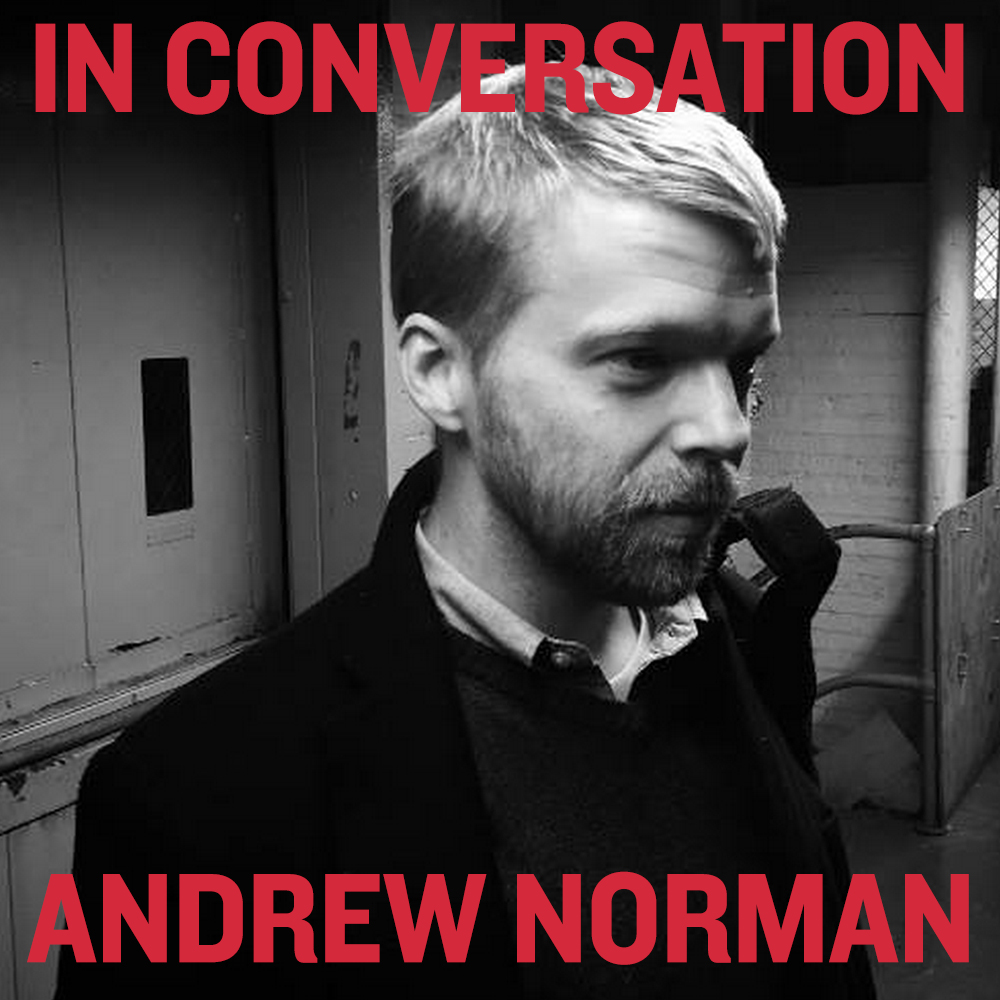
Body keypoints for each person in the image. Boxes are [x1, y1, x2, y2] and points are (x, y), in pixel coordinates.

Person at [58, 66, 875, 998]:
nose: (726, 428)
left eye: (742, 365)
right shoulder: (197, 802)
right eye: (641, 359)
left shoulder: (742, 635)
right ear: (441, 373)